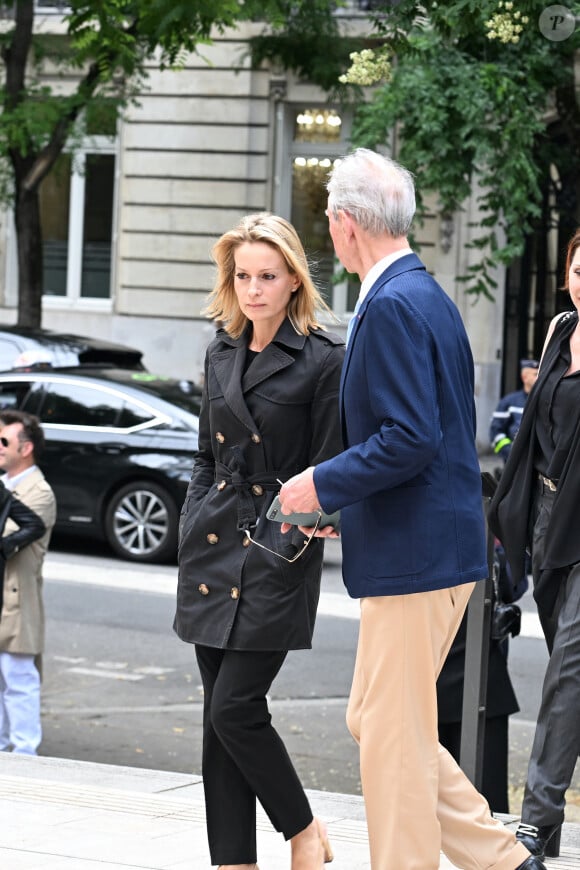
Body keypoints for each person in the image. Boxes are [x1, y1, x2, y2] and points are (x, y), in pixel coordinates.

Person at [278, 148, 542, 870]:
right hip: (426, 545)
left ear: (344, 225)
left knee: (392, 743)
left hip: (417, 557)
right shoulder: (423, 293)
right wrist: (352, 505)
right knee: (376, 720)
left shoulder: (393, 303)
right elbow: (434, 436)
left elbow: (409, 438)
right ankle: (504, 859)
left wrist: (321, 485)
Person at [174, 212, 345, 870]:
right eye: (243, 276)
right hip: (211, 550)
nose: (253, 289)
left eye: (267, 276)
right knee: (218, 725)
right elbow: (204, 459)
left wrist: (293, 534)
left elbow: (331, 466)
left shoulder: (324, 360)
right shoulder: (220, 350)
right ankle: (233, 863)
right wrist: (192, 527)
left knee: (236, 708)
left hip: (278, 551)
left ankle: (303, 831)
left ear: (293, 280)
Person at [488, 227, 580, 861]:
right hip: (549, 517)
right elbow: (530, 435)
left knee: (566, 675)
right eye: (579, 266)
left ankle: (535, 822)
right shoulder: (559, 330)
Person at [0, 410, 56, 756]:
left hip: (17, 599)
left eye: (4, 441)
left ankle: (24, 753)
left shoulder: (39, 492)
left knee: (18, 677)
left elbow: (7, 536)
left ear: (26, 448)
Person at [490, 359, 539, 462]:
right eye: (535, 374)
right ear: (524, 377)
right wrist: (510, 452)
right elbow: (495, 432)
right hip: (513, 466)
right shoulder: (509, 402)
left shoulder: (546, 401)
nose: (539, 378)